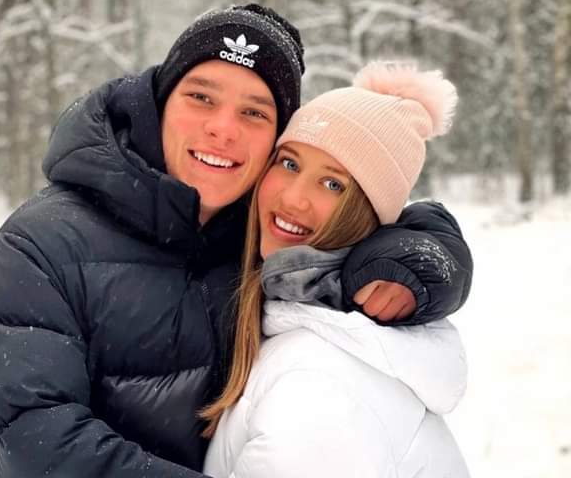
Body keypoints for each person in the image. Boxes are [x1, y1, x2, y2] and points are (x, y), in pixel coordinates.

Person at [0, 4, 472, 478]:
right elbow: (33, 442)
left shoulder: (263, 230)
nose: (222, 129)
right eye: (201, 97)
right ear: (159, 102)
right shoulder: (44, 243)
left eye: (254, 113)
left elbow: (380, 213)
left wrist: (418, 266)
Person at [202, 61, 471, 478]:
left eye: (333, 185)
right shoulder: (299, 314)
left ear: (369, 213)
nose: (293, 198)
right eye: (289, 164)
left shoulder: (317, 383)